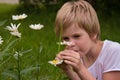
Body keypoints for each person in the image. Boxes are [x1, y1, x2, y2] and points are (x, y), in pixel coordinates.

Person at [54, 0, 120, 80]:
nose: (70, 44)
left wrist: (80, 69)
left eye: (76, 36)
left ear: (93, 34)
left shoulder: (113, 51)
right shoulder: (81, 56)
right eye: (65, 38)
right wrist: (67, 70)